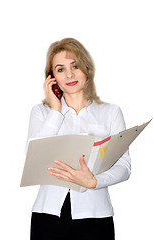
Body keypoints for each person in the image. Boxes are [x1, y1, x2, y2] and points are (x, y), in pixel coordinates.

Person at [26, 38, 131, 240]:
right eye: (60, 69)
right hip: (48, 215)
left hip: (96, 216)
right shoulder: (41, 112)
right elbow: (33, 156)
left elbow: (124, 165)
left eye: (75, 66)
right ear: (52, 77)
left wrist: (94, 181)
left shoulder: (110, 112)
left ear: (86, 69)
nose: (70, 74)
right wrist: (56, 110)